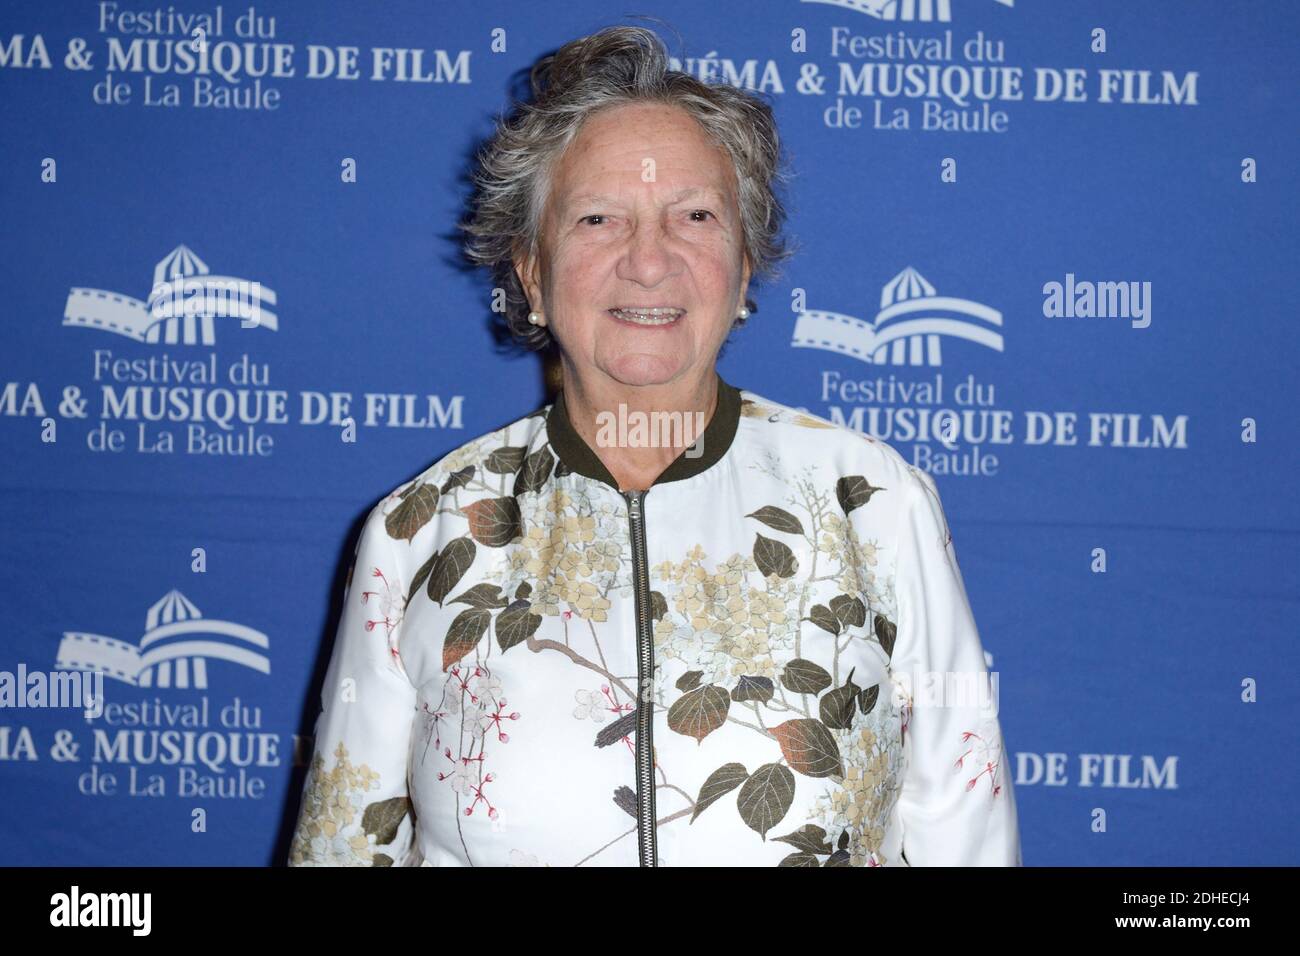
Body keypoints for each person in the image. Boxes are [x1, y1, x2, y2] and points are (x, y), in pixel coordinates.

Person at [287, 24, 1020, 867]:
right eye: (598, 218)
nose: (648, 261)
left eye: (695, 217)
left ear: (744, 266)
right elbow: (344, 846)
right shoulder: (422, 532)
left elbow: (965, 830)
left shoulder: (873, 502)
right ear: (530, 270)